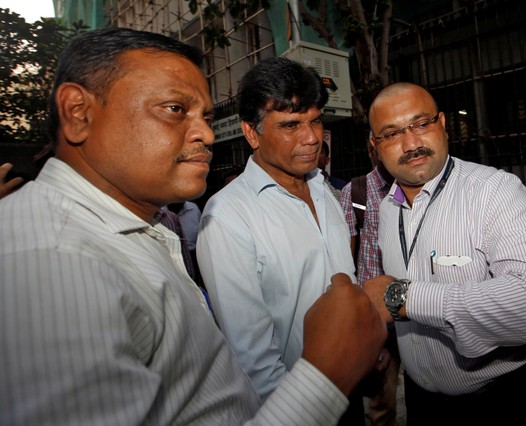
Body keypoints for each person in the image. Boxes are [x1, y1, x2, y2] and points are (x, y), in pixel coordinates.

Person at [0, 27, 387, 425]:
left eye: (205, 116)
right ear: (79, 112)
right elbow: (253, 359)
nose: (204, 133)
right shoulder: (50, 258)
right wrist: (324, 379)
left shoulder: (141, 233)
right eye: (174, 109)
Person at [363, 82, 526, 425]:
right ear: (375, 147)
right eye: (391, 134)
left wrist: (403, 298)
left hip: (504, 403)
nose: (411, 143)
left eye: (422, 124)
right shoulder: (388, 208)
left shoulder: (493, 191)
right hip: (422, 403)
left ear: (443, 124)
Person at [196, 56, 367, 424]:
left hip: (349, 388)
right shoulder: (227, 216)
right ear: (252, 133)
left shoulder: (326, 191)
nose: (311, 137)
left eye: (315, 120)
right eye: (290, 125)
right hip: (294, 406)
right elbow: (253, 360)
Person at [340, 142, 400, 426]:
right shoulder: (355, 192)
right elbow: (344, 257)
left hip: (422, 310)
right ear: (371, 149)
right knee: (381, 401)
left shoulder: (418, 185)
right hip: (379, 317)